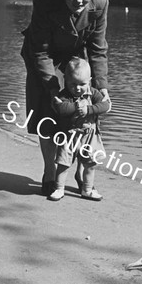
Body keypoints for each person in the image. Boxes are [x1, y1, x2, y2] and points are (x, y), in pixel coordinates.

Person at [21, 0, 110, 196]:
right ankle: (50, 173)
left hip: (76, 60)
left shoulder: (101, 4)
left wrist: (102, 87)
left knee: (85, 115)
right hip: (42, 56)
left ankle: (81, 173)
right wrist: (52, 89)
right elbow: (40, 51)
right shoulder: (44, 3)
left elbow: (98, 50)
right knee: (46, 113)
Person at [49, 57, 110, 202]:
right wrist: (77, 107)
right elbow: (61, 108)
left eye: (82, 84)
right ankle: (59, 188)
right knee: (63, 164)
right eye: (73, 84)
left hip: (89, 136)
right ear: (65, 80)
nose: (77, 88)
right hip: (69, 136)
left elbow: (105, 105)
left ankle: (87, 189)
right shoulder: (65, 94)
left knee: (90, 165)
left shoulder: (93, 93)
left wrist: (89, 109)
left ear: (89, 80)